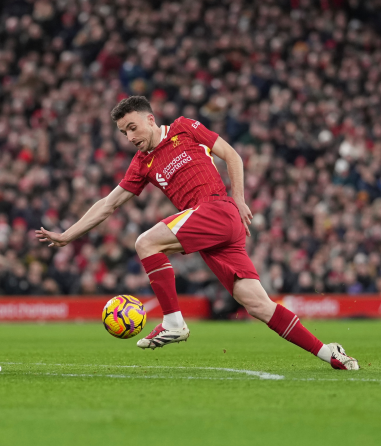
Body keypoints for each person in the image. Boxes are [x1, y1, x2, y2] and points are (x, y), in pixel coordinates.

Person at [36, 96, 358, 371]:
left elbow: (231, 154)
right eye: (123, 132)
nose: (129, 137)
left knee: (145, 242)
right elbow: (108, 204)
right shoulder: (141, 164)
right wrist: (67, 235)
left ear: (150, 119)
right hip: (210, 231)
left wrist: (240, 197)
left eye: (132, 127)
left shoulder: (183, 127)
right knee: (257, 305)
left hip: (217, 209)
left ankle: (174, 322)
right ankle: (329, 353)